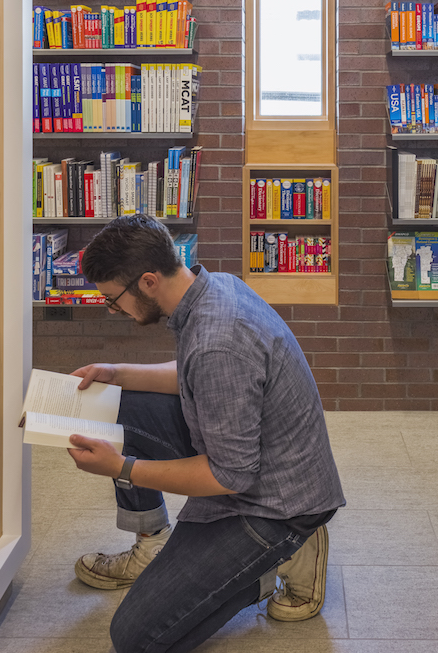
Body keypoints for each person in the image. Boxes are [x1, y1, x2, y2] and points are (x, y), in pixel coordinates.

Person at [64, 215, 345, 653]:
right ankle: (153, 546)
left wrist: (123, 468)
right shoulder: (213, 289)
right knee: (112, 407)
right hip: (259, 456)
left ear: (149, 281)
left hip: (274, 503)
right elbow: (194, 375)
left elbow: (230, 477)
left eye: (114, 299)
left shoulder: (219, 339)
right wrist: (115, 374)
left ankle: (278, 556)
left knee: (135, 637)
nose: (113, 310)